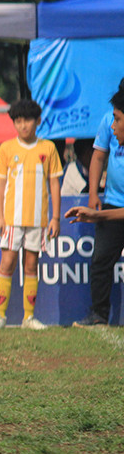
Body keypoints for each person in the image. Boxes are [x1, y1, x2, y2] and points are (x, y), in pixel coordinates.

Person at [0, 98, 63, 331]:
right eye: (18, 121)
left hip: (37, 220)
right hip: (12, 219)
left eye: (27, 120)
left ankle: (28, 318)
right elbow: (0, 186)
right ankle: (0, 316)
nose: (23, 126)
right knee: (7, 262)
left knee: (32, 265)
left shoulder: (48, 148)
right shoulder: (7, 148)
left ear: (38, 121)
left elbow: (54, 185)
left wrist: (55, 217)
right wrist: (0, 217)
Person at [72, 85, 124, 327]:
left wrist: (98, 216)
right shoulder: (109, 124)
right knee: (101, 259)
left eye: (117, 119)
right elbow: (98, 157)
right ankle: (98, 315)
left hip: (112, 211)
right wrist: (94, 195)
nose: (113, 126)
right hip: (113, 201)